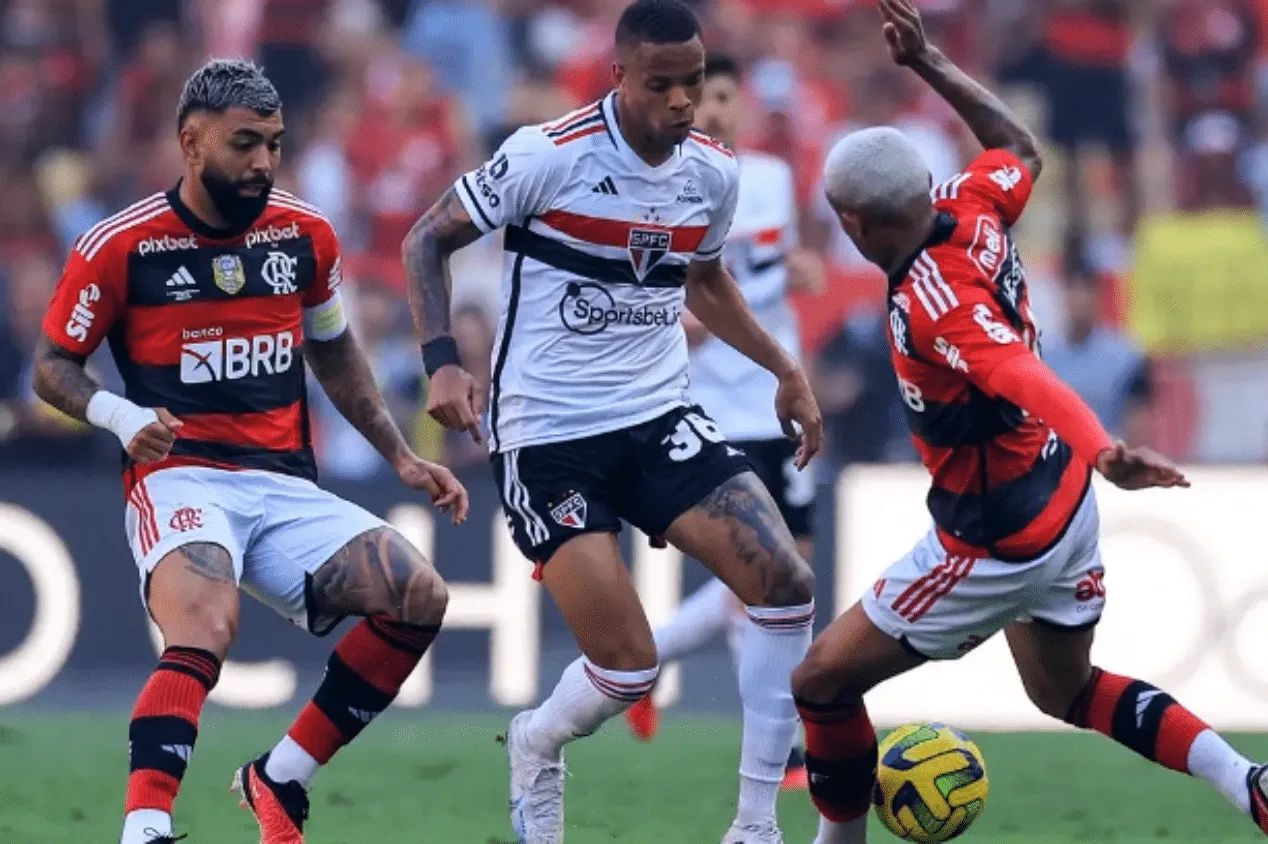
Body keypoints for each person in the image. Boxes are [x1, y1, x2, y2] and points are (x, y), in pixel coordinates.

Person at [790, 3, 1268, 844]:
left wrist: (1104, 447)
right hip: (1061, 499)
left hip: (993, 537)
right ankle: (1250, 784)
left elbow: (1018, 371)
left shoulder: (935, 301)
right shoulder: (970, 202)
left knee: (822, 681)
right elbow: (1020, 147)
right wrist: (929, 61)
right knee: (1066, 692)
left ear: (854, 224)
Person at [401, 2, 823, 841]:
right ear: (620, 76)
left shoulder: (713, 173)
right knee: (628, 669)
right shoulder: (548, 155)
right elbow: (425, 239)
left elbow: (706, 282)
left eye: (693, 83)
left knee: (787, 586)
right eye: (662, 84)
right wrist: (442, 360)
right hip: (549, 436)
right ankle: (536, 741)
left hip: (660, 416)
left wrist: (784, 368)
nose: (682, 101)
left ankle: (754, 826)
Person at [34, 60, 467, 844]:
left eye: (274, 143)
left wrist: (401, 456)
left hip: (281, 480)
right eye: (245, 144)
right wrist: (119, 415)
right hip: (179, 473)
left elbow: (333, 351)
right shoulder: (122, 245)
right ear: (191, 142)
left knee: (420, 595)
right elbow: (52, 367)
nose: (264, 161)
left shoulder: (304, 235)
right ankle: (145, 828)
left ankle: (281, 777)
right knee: (207, 624)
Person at [619, 53, 821, 792]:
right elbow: (690, 302)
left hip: (776, 400)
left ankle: (645, 661)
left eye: (725, 96)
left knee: (788, 579)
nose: (713, 110)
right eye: (703, 97)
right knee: (757, 581)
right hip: (712, 409)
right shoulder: (665, 185)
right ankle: (783, 750)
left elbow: (763, 275)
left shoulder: (768, 179)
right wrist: (769, 282)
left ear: (743, 106)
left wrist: (788, 277)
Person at [1044, 267, 1153, 447]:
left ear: (1099, 297)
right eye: (1073, 290)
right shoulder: (1041, 354)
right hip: (1055, 456)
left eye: (1087, 290)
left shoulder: (1126, 356)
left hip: (1109, 454)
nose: (1080, 299)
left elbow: (1138, 420)